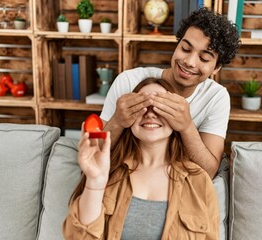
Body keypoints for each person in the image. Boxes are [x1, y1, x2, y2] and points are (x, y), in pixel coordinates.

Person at [63, 78, 220, 239]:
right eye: (140, 106)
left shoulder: (198, 180)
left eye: (160, 107)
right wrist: (94, 181)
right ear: (128, 118)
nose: (150, 113)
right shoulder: (108, 172)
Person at [101, 7, 241, 178]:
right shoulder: (129, 81)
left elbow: (209, 172)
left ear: (217, 67)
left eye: (204, 58)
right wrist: (117, 121)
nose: (189, 62)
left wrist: (187, 127)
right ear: (177, 44)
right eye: (185, 49)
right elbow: (94, 152)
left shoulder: (216, 97)